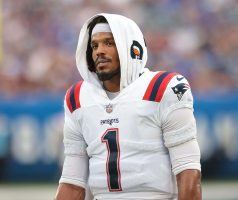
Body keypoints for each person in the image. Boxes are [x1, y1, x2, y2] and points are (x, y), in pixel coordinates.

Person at [55, 13, 201, 200]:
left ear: (132, 48)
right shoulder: (77, 98)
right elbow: (72, 181)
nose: (99, 51)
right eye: (94, 45)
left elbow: (188, 171)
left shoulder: (164, 88)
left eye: (109, 43)